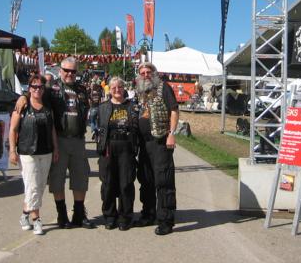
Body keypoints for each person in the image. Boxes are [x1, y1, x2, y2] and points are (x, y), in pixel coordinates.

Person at [16, 57, 94, 229]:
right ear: (60, 71)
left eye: (73, 71)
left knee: (80, 178)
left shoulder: (82, 89)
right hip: (59, 139)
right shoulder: (52, 89)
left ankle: (79, 215)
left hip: (78, 140)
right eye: (66, 70)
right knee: (57, 179)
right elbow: (35, 92)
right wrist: (23, 96)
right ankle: (62, 215)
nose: (70, 74)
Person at [9, 74, 58, 235]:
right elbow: (13, 130)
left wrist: (56, 148)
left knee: (40, 186)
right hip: (27, 152)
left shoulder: (47, 107)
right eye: (34, 86)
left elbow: (52, 129)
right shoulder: (22, 106)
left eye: (40, 87)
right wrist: (12, 150)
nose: (37, 89)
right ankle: (36, 220)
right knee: (32, 186)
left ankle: (24, 215)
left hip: (46, 151)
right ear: (29, 88)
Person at [134, 62, 179, 235]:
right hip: (144, 143)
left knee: (163, 181)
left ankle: (166, 220)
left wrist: (172, 133)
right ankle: (148, 213)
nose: (145, 75)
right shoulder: (140, 91)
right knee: (146, 180)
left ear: (154, 73)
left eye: (148, 72)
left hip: (160, 141)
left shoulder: (164, 88)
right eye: (142, 73)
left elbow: (174, 110)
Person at [96, 77, 139, 231]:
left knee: (126, 183)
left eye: (119, 87)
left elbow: (138, 128)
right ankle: (109, 216)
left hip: (126, 148)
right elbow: (99, 128)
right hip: (108, 148)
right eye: (113, 87)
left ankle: (125, 217)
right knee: (108, 183)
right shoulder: (103, 107)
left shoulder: (132, 106)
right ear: (109, 89)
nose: (116, 90)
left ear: (123, 88)